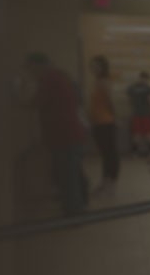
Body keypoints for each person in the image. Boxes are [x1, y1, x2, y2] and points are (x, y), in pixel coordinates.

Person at [26, 53, 88, 214]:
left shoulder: (50, 79)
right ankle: (80, 205)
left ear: (38, 66)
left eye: (31, 69)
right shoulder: (60, 76)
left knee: (68, 178)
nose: (31, 74)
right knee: (72, 175)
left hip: (65, 136)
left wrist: (18, 101)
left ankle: (74, 212)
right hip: (71, 134)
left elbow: (36, 102)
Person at [89, 55, 120, 196]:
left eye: (97, 66)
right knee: (105, 153)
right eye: (92, 65)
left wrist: (115, 118)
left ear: (103, 67)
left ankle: (110, 183)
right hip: (98, 122)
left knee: (109, 154)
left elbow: (110, 101)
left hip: (106, 122)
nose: (94, 68)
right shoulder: (97, 82)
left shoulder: (104, 82)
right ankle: (105, 181)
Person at [126, 71, 150, 156]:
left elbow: (129, 101)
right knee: (149, 133)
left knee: (136, 133)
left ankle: (135, 151)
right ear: (147, 79)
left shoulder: (132, 88)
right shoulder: (148, 88)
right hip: (146, 113)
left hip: (136, 113)